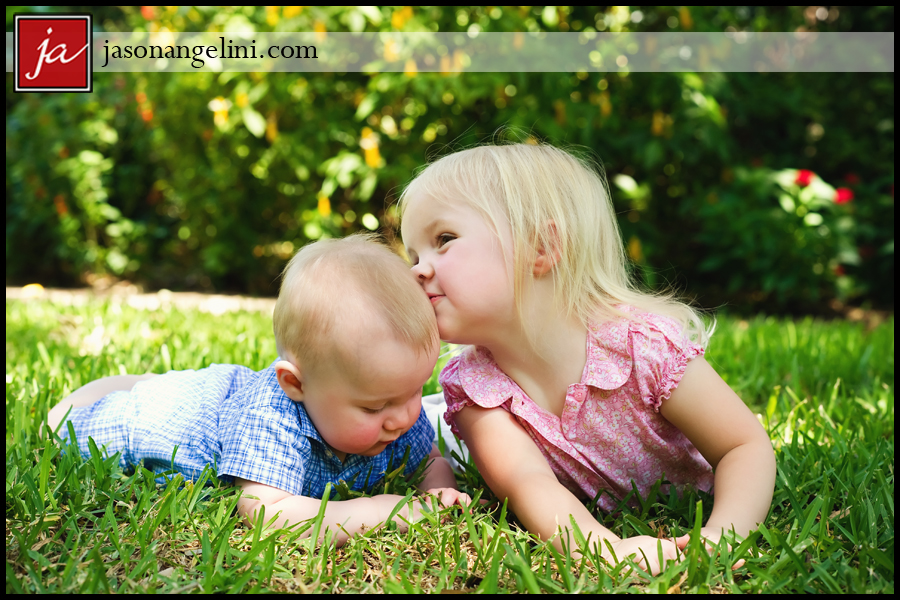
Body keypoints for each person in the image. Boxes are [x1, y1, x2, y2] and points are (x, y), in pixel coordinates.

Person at [400, 142, 776, 574]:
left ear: (541, 247)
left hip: (682, 490)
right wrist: (604, 550)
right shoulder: (472, 387)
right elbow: (528, 482)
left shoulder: (640, 347)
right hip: (462, 435)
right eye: (412, 255)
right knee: (424, 430)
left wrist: (721, 538)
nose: (417, 270)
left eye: (443, 240)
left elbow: (742, 446)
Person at [43, 233, 470, 546]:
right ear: (296, 385)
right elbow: (268, 513)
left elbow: (430, 456)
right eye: (376, 406)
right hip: (188, 418)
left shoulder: (394, 410)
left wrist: (437, 489)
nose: (404, 416)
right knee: (69, 423)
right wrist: (383, 511)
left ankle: (149, 382)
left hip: (225, 393)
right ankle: (109, 394)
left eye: (415, 391)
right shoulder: (272, 416)